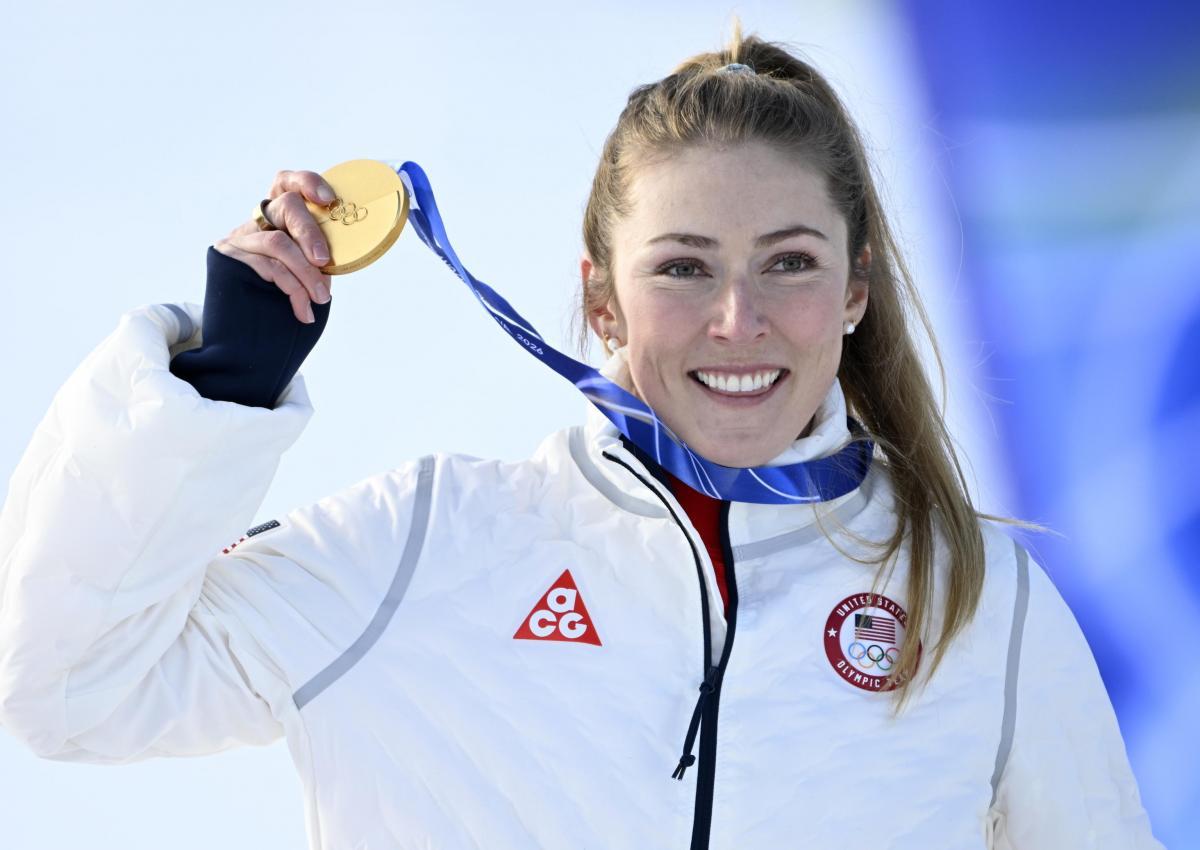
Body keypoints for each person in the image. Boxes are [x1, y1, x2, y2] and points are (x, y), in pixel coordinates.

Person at [0, 27, 1163, 850]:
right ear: (600, 298)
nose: (738, 320)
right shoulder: (429, 544)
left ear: (856, 288)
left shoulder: (972, 598)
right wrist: (216, 389)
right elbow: (67, 684)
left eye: (790, 264)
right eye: (683, 267)